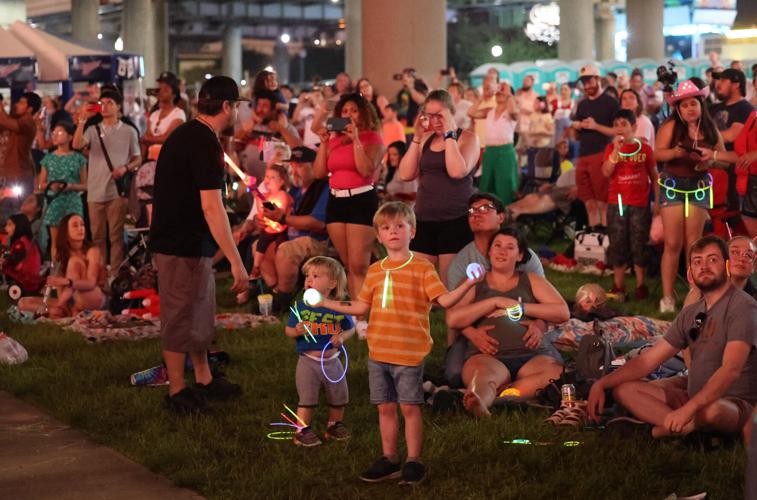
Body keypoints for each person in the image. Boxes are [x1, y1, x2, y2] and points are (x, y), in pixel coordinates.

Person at [312, 201, 481, 485]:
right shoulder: (376, 270)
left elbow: (445, 301)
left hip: (409, 352)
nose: (393, 232)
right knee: (385, 407)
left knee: (409, 407)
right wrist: (325, 301)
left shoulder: (423, 268)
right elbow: (359, 307)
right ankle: (389, 458)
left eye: (399, 226)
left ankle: (414, 460)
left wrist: (468, 282)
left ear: (412, 231)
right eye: (386, 228)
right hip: (378, 352)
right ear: (378, 235)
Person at [588, 236, 757, 439]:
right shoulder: (692, 312)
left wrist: (689, 408)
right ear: (690, 273)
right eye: (697, 261)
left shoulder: (744, 307)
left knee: (712, 411)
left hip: (732, 403)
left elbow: (730, 370)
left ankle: (659, 431)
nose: (704, 266)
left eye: (712, 260)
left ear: (726, 266)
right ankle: (688, 431)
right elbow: (648, 360)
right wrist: (601, 384)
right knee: (624, 390)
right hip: (694, 396)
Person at [149, 76, 250, 414]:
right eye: (236, 106)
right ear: (226, 107)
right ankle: (177, 390)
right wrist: (236, 261)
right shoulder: (204, 143)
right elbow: (212, 207)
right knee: (180, 315)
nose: (237, 112)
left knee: (199, 311)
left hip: (189, 240)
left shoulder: (189, 135)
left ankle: (205, 377)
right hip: (180, 243)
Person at [447, 226, 570, 417]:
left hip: (531, 354)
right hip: (489, 356)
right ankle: (484, 400)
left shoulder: (531, 280)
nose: (502, 251)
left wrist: (518, 308)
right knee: (482, 376)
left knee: (557, 373)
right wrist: (494, 302)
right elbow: (453, 318)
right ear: (489, 252)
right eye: (497, 245)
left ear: (520, 255)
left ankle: (494, 400)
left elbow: (562, 312)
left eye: (510, 247)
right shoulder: (474, 282)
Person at [444, 194, 546, 388]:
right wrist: (473, 334)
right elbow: (453, 313)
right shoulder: (461, 263)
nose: (476, 214)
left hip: (523, 333)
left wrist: (540, 326)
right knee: (454, 375)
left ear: (501, 217)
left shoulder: (526, 257)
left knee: (552, 367)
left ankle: (508, 382)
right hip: (475, 334)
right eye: (472, 211)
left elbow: (546, 302)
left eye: (485, 208)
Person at [654, 80, 724, 313]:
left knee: (694, 243)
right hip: (672, 186)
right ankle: (667, 297)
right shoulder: (671, 126)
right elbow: (657, 153)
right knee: (672, 243)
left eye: (693, 104)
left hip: (699, 187)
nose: (689, 109)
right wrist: (674, 152)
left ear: (701, 104)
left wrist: (710, 160)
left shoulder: (711, 129)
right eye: (684, 106)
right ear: (678, 109)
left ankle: (694, 296)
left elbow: (724, 158)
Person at [398, 90, 480, 285]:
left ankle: (453, 316)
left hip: (455, 219)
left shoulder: (467, 138)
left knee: (450, 284)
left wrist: (449, 135)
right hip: (424, 219)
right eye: (429, 115)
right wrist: (417, 137)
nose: (434, 120)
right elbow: (406, 174)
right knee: (417, 284)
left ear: (451, 113)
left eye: (439, 115)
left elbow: (457, 171)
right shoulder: (425, 139)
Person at [239, 146, 329, 311]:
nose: (294, 170)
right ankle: (276, 291)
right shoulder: (293, 190)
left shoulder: (323, 188)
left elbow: (316, 223)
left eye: (300, 166)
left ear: (315, 166)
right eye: (293, 166)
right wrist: (262, 220)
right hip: (289, 237)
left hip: (315, 240)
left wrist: (282, 218)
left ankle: (284, 297)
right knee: (258, 247)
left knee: (286, 250)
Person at [313, 92, 384, 299]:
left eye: (354, 110)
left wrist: (356, 141)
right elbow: (318, 173)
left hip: (360, 200)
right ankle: (356, 312)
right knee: (347, 263)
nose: (349, 115)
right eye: (345, 111)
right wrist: (324, 143)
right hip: (336, 201)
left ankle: (363, 317)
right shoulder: (335, 140)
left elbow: (366, 170)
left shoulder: (374, 138)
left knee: (359, 265)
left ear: (363, 113)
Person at [285, 256, 355, 447]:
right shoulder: (300, 307)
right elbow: (288, 330)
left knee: (338, 396)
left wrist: (341, 337)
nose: (309, 279)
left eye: (316, 276)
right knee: (307, 398)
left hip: (333, 361)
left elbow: (350, 328)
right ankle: (302, 430)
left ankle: (334, 425)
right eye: (308, 275)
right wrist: (296, 330)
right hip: (308, 362)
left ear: (332, 283)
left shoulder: (337, 308)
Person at [72, 88, 140, 273]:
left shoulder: (129, 131)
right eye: (102, 103)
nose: (106, 107)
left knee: (116, 236)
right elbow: (76, 145)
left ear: (119, 106)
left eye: (110, 102)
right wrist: (82, 120)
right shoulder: (93, 130)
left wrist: (125, 168)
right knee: (97, 237)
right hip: (95, 191)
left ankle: (116, 274)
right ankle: (99, 273)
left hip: (117, 192)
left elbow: (138, 157)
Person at [601, 109, 659, 300]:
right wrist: (617, 151)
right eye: (616, 125)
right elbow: (606, 172)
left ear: (634, 126)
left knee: (639, 243)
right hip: (617, 204)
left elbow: (654, 175)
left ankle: (641, 285)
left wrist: (657, 202)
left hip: (639, 204)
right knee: (618, 243)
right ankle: (619, 285)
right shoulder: (611, 149)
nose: (620, 128)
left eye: (624, 124)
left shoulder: (645, 149)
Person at [18, 214, 106, 318]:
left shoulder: (92, 251)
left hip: (94, 297)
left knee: (74, 262)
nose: (80, 228)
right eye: (75, 225)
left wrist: (66, 282)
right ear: (66, 232)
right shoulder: (62, 254)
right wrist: (61, 304)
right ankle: (60, 312)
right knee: (23, 302)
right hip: (71, 299)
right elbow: (61, 291)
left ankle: (59, 313)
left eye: (82, 225)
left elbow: (91, 283)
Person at [572, 64, 620, 229]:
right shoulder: (582, 105)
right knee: (589, 203)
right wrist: (576, 128)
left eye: (589, 81)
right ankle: (593, 240)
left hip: (601, 154)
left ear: (598, 79)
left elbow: (618, 130)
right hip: (583, 155)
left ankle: (605, 238)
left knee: (602, 203)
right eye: (584, 83)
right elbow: (576, 135)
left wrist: (595, 126)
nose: (587, 86)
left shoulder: (611, 103)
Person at [138, 72, 187, 225]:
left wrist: (148, 139)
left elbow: (167, 138)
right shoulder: (154, 115)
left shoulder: (179, 114)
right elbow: (145, 141)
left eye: (165, 88)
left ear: (174, 92)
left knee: (168, 203)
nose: (161, 91)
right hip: (150, 167)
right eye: (159, 88)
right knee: (151, 203)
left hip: (169, 166)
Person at [37, 122, 87, 256]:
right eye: (53, 133)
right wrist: (50, 185)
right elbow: (41, 184)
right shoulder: (48, 158)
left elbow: (85, 185)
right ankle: (56, 270)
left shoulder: (79, 158)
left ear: (70, 136)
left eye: (59, 133)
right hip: (54, 200)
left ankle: (73, 268)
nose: (55, 136)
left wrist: (71, 186)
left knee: (74, 239)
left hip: (73, 200)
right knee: (55, 240)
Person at [236, 90, 303, 184]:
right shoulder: (250, 125)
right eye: (258, 105)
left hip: (275, 187)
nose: (260, 109)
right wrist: (245, 130)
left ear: (274, 109)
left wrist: (281, 129)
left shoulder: (286, 128)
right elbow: (234, 146)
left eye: (265, 106)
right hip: (249, 183)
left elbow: (300, 150)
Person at [469, 83, 518, 204]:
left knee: (505, 184)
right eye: (498, 93)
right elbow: (471, 112)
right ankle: (486, 212)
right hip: (490, 151)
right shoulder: (490, 111)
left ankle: (505, 215)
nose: (500, 94)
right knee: (487, 183)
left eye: (503, 93)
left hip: (505, 151)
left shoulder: (512, 111)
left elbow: (514, 112)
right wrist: (482, 96)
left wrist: (508, 93)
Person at [506, 141, 577, 221]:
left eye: (565, 147)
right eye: (560, 146)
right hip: (558, 185)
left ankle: (517, 211)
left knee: (546, 197)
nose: (562, 148)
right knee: (531, 197)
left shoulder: (567, 164)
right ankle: (506, 210)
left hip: (570, 189)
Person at [0, 92, 40, 224]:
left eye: (22, 103)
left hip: (18, 177)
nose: (17, 104)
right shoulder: (14, 120)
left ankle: (16, 243)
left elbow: (3, 120)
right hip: (7, 175)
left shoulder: (28, 123)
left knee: (14, 216)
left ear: (30, 109)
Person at [251, 164, 293, 280]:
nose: (268, 180)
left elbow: (279, 212)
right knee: (261, 243)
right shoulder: (264, 195)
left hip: (281, 229)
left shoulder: (283, 195)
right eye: (266, 176)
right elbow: (261, 211)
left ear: (281, 181)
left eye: (272, 177)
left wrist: (262, 200)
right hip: (268, 229)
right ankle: (256, 267)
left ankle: (280, 273)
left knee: (280, 248)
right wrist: (257, 198)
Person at [1, 213, 42, 294]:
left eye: (10, 225)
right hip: (31, 274)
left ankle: (5, 282)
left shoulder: (21, 243)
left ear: (19, 226)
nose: (6, 227)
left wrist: (4, 261)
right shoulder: (28, 240)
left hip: (24, 277)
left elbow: (14, 260)